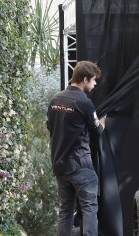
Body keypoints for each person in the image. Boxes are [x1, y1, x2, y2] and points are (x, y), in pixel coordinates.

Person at [47, 60, 106, 236]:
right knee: (89, 209)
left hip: (60, 165)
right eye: (94, 80)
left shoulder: (55, 100)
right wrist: (104, 122)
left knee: (65, 211)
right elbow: (97, 130)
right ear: (85, 79)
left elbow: (50, 128)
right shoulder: (84, 103)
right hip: (81, 166)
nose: (95, 84)